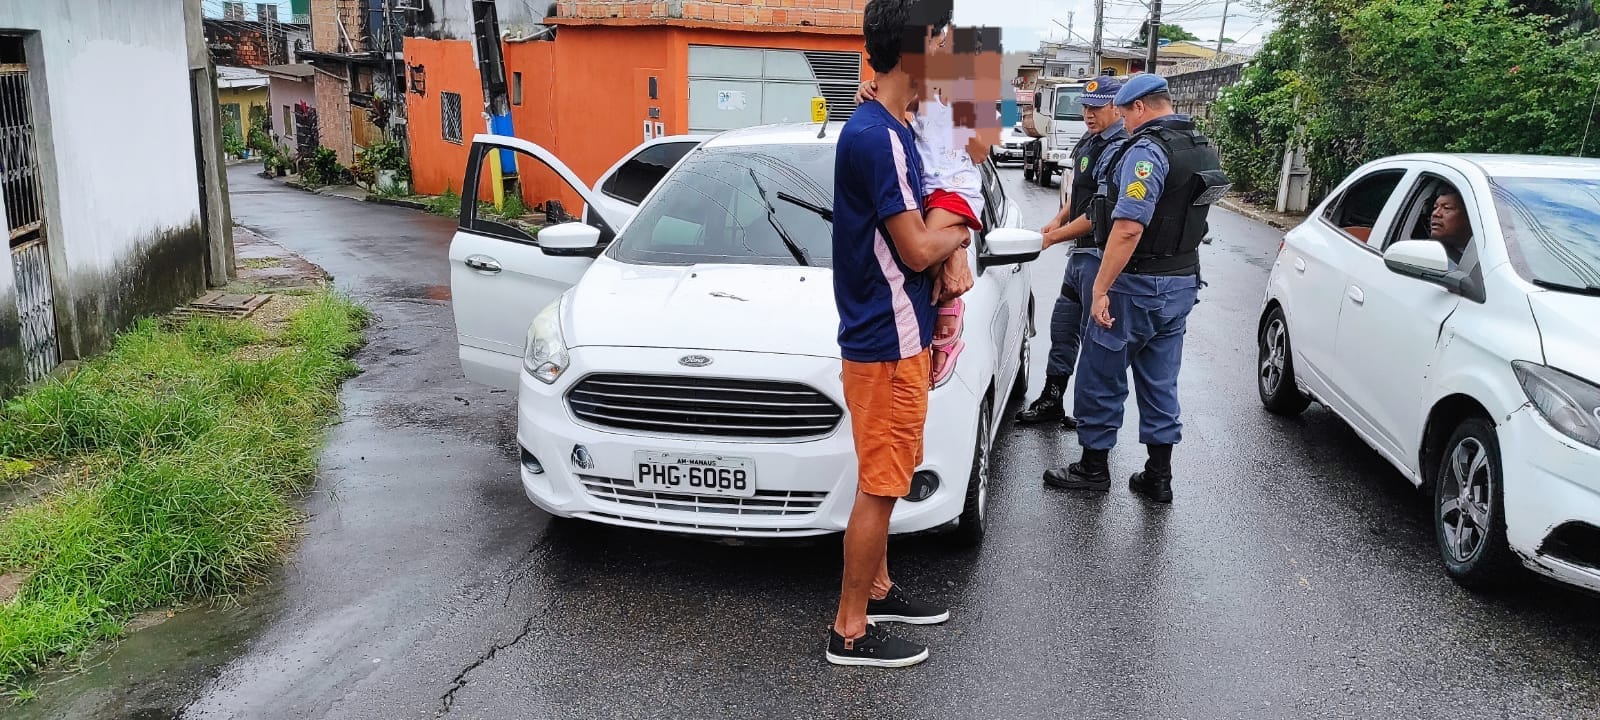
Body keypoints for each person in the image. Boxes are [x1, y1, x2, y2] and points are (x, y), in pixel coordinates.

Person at [828, 0, 974, 669]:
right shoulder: (876, 136)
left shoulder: (891, 125)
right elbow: (915, 247)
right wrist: (960, 235)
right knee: (881, 486)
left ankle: (878, 591)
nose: (946, 50)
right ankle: (850, 630)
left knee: (886, 475)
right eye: (940, 38)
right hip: (886, 342)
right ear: (917, 47)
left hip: (898, 338)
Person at [1042, 73, 1227, 504]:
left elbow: (1126, 227)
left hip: (1135, 284)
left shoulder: (1146, 150)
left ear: (1140, 107)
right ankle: (1158, 476)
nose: (1122, 122)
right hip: (1180, 284)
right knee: (1161, 380)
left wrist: (1101, 288)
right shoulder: (1200, 145)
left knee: (1101, 372)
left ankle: (1092, 468)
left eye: (1124, 113)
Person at [853, 24, 994, 387]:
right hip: (923, 186)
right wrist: (866, 89)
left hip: (955, 188)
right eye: (940, 47)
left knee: (927, 243)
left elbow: (980, 153)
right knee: (931, 250)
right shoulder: (922, 93)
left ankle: (949, 311)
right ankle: (944, 310)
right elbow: (892, 104)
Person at [1015, 76, 1128, 427]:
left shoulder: (1120, 148)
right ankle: (1052, 398)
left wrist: (1051, 238)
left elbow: (1098, 215)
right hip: (1078, 257)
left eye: (1096, 108)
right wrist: (1056, 221)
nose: (1088, 115)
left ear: (1115, 107)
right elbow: (1079, 195)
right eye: (1085, 108)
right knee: (1063, 328)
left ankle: (1091, 419)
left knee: (1097, 342)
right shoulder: (1091, 139)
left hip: (1098, 256)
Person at [1430, 188, 1473, 268]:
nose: (1436, 213)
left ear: (1468, 215)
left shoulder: (1490, 254)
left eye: (1446, 208)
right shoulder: (1428, 253)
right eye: (1435, 207)